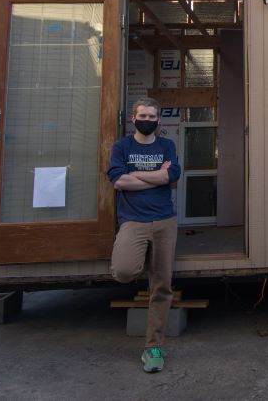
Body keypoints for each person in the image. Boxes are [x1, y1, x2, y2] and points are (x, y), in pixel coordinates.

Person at [107, 97, 181, 373]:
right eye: (142, 116)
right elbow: (118, 180)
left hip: (165, 221)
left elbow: (172, 176)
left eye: (152, 116)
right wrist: (154, 174)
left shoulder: (167, 146)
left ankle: (153, 347)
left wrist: (135, 176)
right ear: (133, 118)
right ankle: (136, 258)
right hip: (133, 222)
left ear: (158, 120)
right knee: (124, 271)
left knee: (161, 285)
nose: (147, 120)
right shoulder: (122, 146)